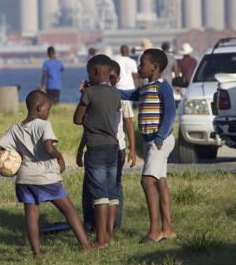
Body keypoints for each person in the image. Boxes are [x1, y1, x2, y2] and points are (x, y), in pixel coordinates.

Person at [0, 90, 91, 257]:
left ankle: (36, 253)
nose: (48, 113)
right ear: (38, 107)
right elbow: (49, 147)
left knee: (31, 216)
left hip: (25, 180)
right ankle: (86, 245)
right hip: (46, 178)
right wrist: (60, 156)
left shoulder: (16, 128)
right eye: (47, 109)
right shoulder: (43, 125)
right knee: (69, 211)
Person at [119, 48, 176, 243]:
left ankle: (154, 231)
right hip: (151, 141)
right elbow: (127, 94)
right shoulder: (144, 87)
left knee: (147, 181)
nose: (138, 67)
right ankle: (167, 229)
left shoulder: (162, 86)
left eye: (142, 64)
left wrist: (159, 138)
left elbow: (170, 114)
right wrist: (107, 88)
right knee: (159, 181)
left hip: (159, 140)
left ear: (154, 67)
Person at [76, 60, 137, 232]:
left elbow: (129, 123)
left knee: (107, 189)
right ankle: (98, 227)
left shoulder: (117, 96)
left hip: (112, 146)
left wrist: (132, 149)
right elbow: (88, 124)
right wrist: (81, 148)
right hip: (109, 145)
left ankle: (108, 228)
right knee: (102, 188)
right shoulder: (105, 94)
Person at [73, 54, 121, 248]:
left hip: (96, 147)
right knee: (111, 193)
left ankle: (100, 240)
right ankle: (108, 234)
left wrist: (85, 94)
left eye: (88, 73)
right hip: (113, 147)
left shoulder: (89, 93)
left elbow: (77, 119)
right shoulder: (116, 94)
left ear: (95, 72)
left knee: (99, 194)